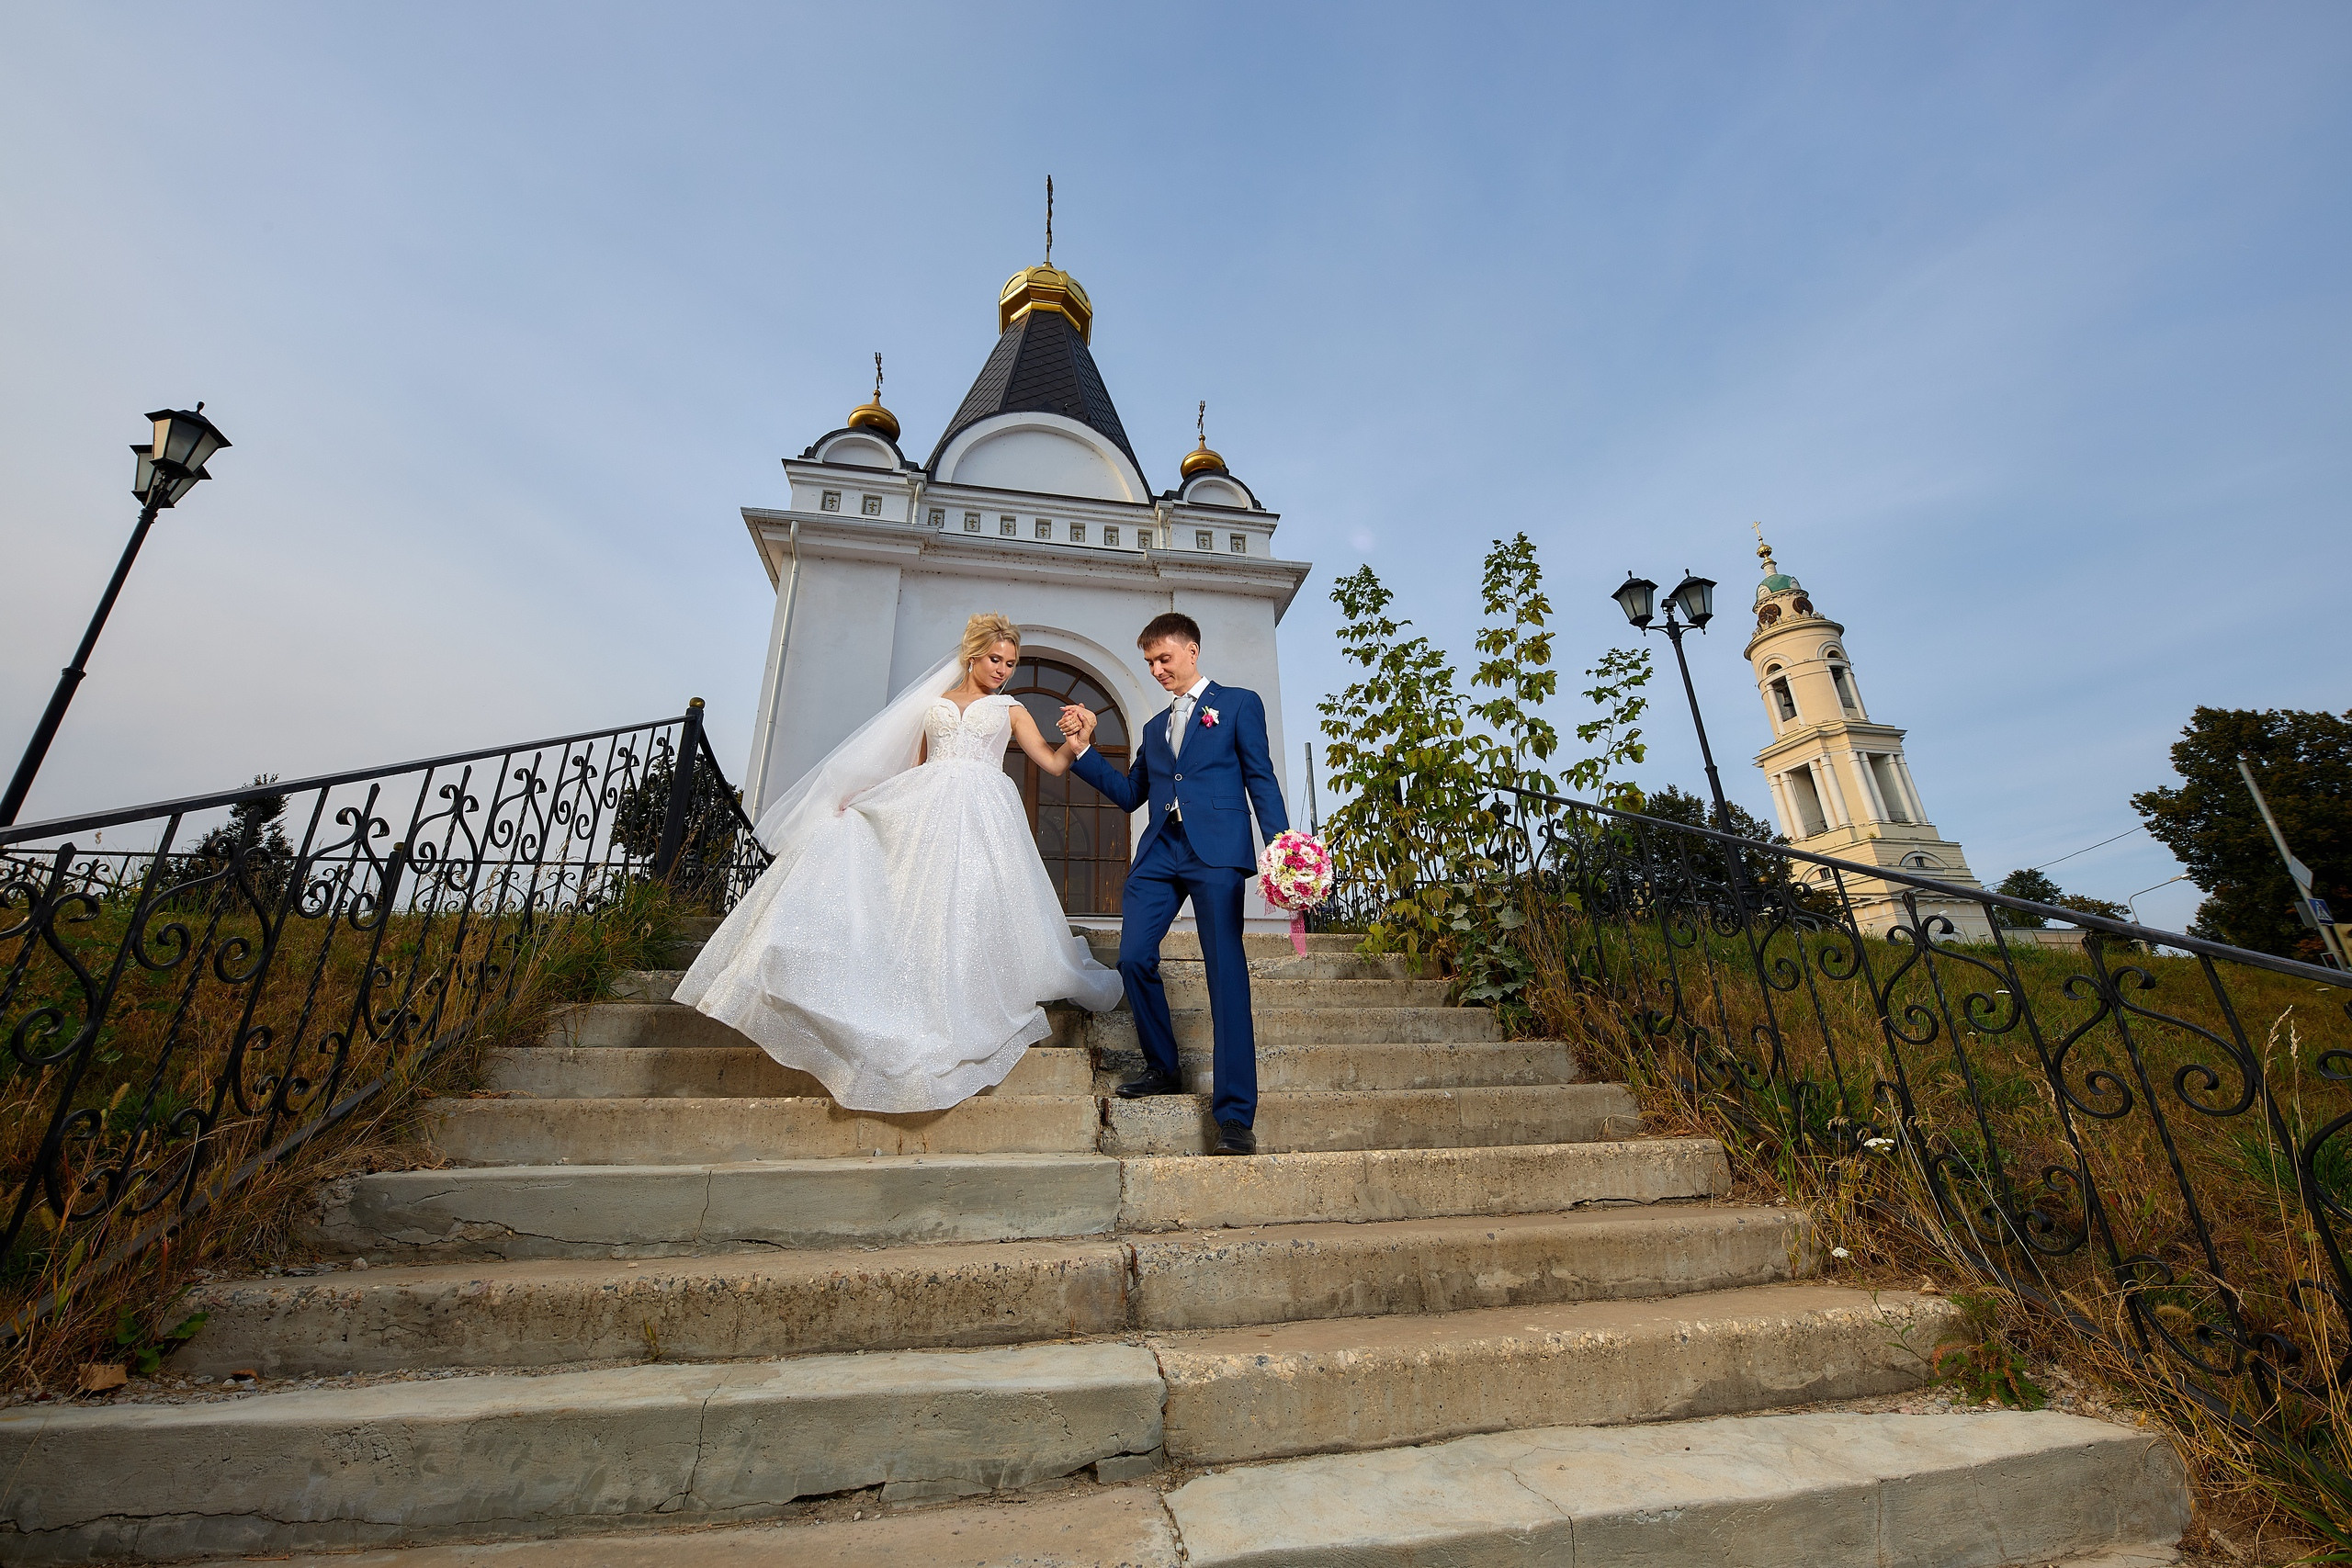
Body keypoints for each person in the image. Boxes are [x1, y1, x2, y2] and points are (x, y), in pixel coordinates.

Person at [676, 614, 1124, 1114]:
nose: (1003, 670)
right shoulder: (934, 703)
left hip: (984, 809)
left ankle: (968, 992)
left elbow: (1053, 763)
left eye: (1010, 663)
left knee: (972, 898)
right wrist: (865, 798)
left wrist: (1077, 741)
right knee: (921, 899)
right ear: (972, 656)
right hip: (930, 806)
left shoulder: (1011, 709)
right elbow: (913, 767)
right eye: (995, 659)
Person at [1057, 613, 1289, 1155]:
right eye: (1150, 663)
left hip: (1217, 851)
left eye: (1164, 658)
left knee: (1225, 973)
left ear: (1192, 651)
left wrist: (1284, 849)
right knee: (1134, 956)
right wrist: (1083, 749)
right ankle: (1163, 1066)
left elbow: (1261, 777)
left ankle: (1235, 1115)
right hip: (1161, 850)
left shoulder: (1239, 704)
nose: (1157, 669)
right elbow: (1129, 794)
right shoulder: (1154, 728)